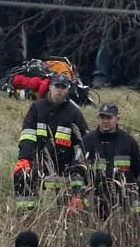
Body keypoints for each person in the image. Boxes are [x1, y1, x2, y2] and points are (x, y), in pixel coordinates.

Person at [12, 73, 88, 209]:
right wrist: (25, 159)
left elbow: (82, 144)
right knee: (21, 174)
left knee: (79, 182)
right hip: (39, 162)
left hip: (64, 166)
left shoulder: (74, 113)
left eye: (63, 87)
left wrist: (77, 167)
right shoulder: (37, 108)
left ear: (67, 90)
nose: (60, 90)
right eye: (57, 86)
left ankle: (70, 214)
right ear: (50, 87)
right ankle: (26, 212)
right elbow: (28, 135)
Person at [80, 102, 140, 217]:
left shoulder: (128, 141)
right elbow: (77, 169)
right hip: (94, 200)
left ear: (117, 119)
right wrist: (78, 193)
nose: (105, 121)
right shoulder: (88, 141)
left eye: (109, 118)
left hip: (122, 200)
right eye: (102, 117)